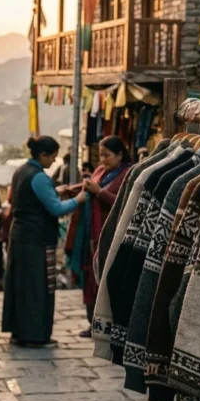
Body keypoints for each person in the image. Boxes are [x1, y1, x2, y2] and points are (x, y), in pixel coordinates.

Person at [2, 136, 88, 348]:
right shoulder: (39, 177)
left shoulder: (20, 171)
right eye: (52, 157)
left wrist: (58, 191)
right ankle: (35, 336)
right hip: (36, 240)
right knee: (37, 287)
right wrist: (78, 200)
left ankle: (19, 332)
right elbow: (56, 209)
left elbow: (33, 197)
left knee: (21, 286)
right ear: (42, 155)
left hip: (20, 236)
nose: (54, 161)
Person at [66, 136, 132, 337]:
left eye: (107, 155)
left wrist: (101, 192)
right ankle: (93, 323)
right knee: (91, 279)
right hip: (92, 234)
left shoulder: (128, 174)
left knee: (108, 278)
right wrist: (70, 191)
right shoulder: (101, 171)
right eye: (101, 155)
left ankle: (112, 325)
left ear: (120, 154)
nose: (103, 160)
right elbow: (88, 190)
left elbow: (126, 204)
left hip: (112, 234)